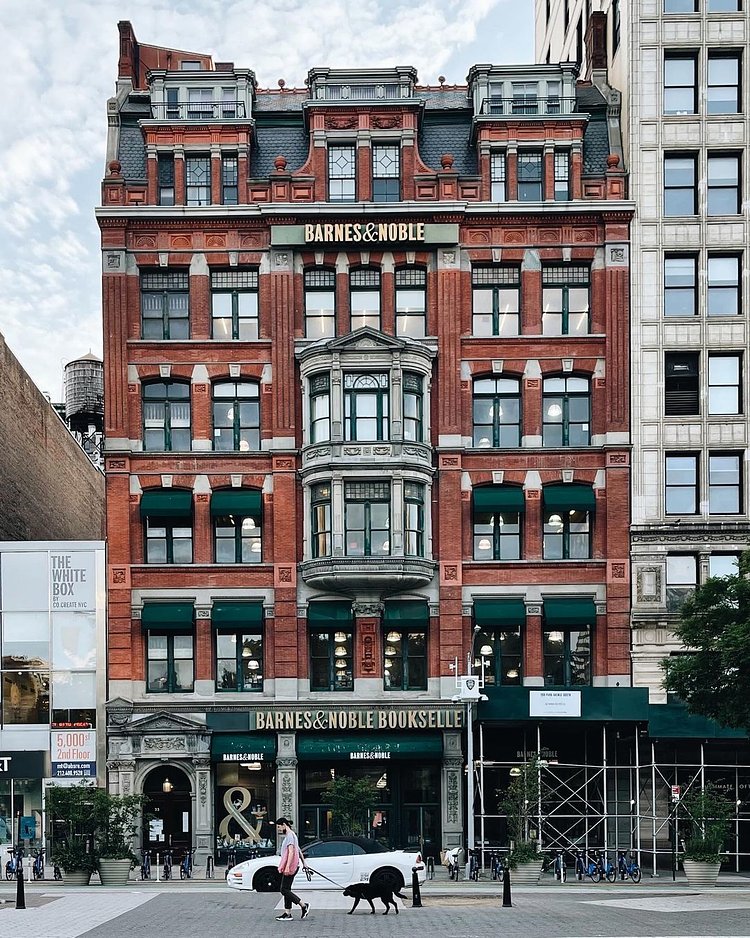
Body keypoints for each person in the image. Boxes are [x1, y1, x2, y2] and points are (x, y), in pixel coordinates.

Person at [274, 817, 309, 922]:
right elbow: (298, 850)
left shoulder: (290, 836)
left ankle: (303, 905)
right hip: (294, 865)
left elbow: (291, 852)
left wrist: (288, 866)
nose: (279, 829)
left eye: (279, 827)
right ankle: (287, 913)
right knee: (286, 889)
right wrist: (304, 863)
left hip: (290, 866)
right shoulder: (293, 835)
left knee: (283, 889)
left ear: (284, 824)